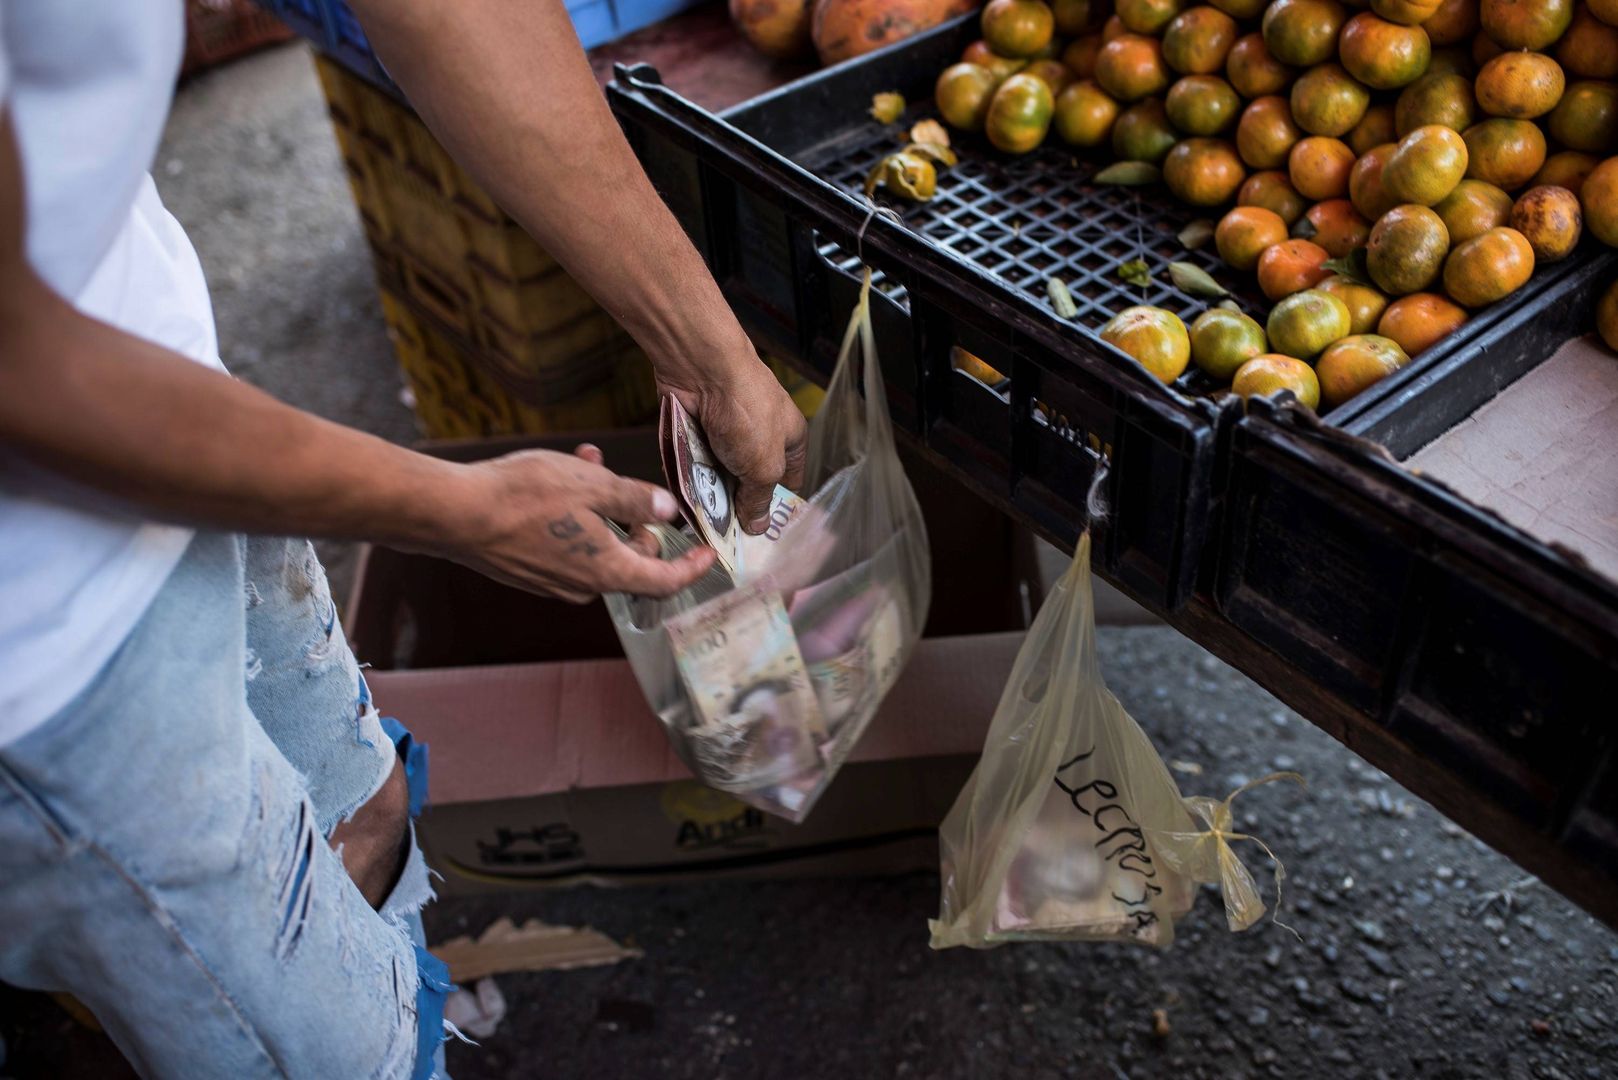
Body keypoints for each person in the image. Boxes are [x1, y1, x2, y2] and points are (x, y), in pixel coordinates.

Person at [0, 2, 806, 1077]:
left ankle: (388, 1014)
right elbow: (25, 369)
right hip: (43, 658)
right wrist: (456, 509)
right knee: (326, 1052)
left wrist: (707, 355)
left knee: (365, 808)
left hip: (183, 422)